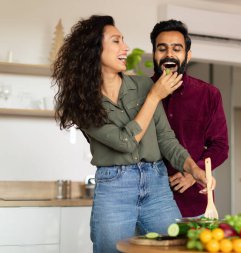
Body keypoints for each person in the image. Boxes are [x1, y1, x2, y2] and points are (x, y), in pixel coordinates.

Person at [52, 15, 215, 253]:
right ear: (94, 50)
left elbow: (167, 140)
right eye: (116, 41)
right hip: (114, 189)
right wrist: (154, 98)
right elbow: (125, 142)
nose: (125, 47)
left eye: (123, 41)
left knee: (178, 249)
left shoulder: (143, 86)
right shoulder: (84, 104)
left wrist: (193, 168)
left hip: (157, 186)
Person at [150, 20, 229, 218]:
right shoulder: (138, 92)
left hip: (193, 203)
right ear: (154, 54)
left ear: (187, 55)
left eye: (177, 49)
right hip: (146, 201)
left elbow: (220, 146)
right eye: (162, 48)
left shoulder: (209, 94)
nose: (169, 54)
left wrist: (194, 172)